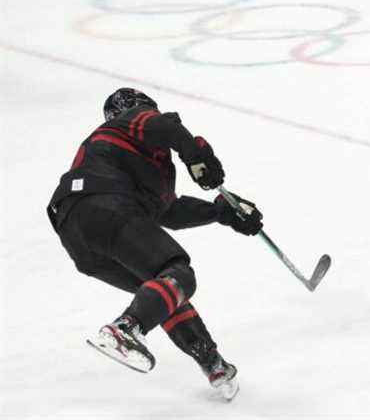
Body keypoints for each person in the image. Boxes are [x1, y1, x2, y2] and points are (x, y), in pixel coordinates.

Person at [47, 88, 263, 399]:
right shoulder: (131, 120)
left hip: (77, 233)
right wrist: (197, 156)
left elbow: (169, 212)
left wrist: (220, 212)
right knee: (179, 274)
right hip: (104, 206)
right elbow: (168, 128)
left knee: (163, 288)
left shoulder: (145, 163)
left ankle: (211, 362)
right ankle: (125, 329)